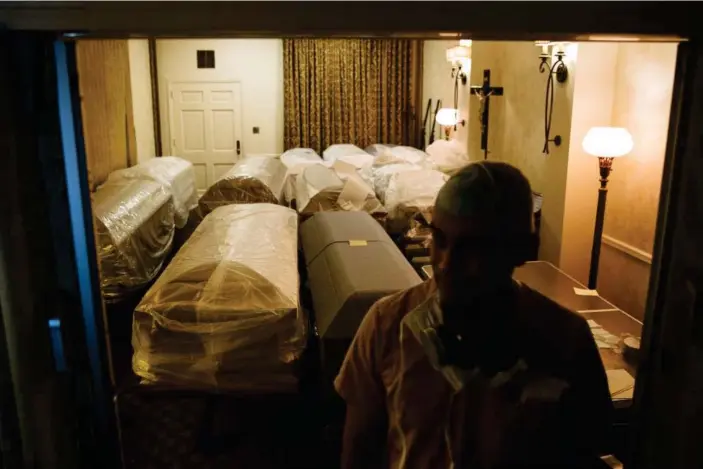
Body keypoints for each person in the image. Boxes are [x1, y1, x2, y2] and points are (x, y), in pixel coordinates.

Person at [335, 161, 613, 469]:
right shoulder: (385, 324)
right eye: (439, 239)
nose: (445, 263)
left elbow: (588, 449)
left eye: (472, 248)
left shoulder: (566, 340)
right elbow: (358, 453)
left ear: (522, 249)